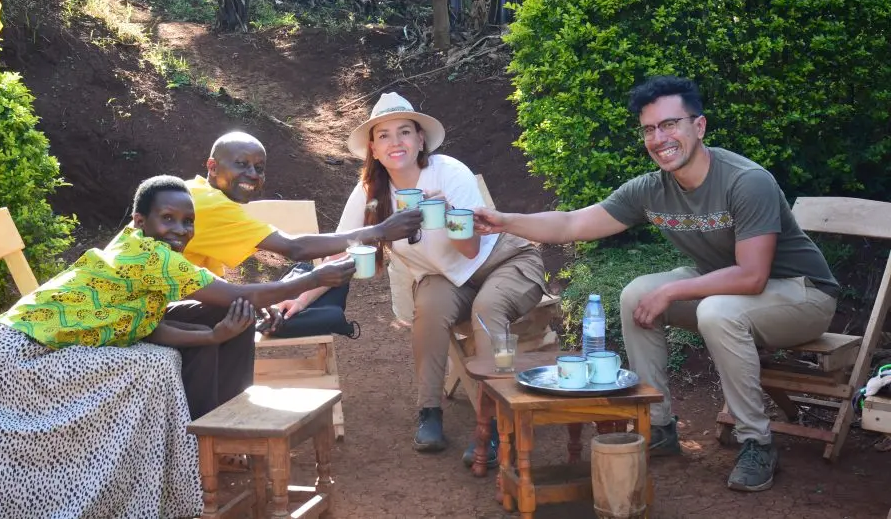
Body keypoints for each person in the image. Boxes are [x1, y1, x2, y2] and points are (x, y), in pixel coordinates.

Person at [0, 175, 355, 519]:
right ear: (141, 221)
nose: (179, 229)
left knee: (186, 337)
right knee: (155, 364)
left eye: (187, 222)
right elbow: (243, 296)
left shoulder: (147, 254)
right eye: (168, 219)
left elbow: (146, 327)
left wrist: (214, 336)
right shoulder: (148, 255)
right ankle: (170, 462)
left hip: (44, 350)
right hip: (18, 360)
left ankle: (209, 443)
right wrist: (315, 278)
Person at [473, 76, 839, 493]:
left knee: (715, 312)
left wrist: (671, 291)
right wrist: (504, 220)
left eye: (670, 124)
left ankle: (755, 440)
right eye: (649, 129)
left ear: (698, 127)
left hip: (801, 293)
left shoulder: (745, 180)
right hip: (726, 286)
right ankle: (660, 425)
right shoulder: (652, 189)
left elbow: (752, 275)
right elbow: (573, 222)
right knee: (637, 295)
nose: (659, 138)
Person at [284, 92, 548, 459]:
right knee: (429, 309)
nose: (396, 142)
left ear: (420, 139)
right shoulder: (369, 194)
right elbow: (339, 250)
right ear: (373, 149)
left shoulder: (449, 172)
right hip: (447, 277)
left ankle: (495, 424)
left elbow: (471, 250)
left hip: (505, 262)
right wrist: (299, 295)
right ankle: (429, 412)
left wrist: (450, 213)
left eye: (405, 132)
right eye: (385, 135)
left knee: (486, 311)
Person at [181, 131, 422, 340]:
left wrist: (255, 306)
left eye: (259, 168)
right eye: (241, 164)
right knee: (232, 335)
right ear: (212, 167)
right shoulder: (209, 204)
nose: (253, 174)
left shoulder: (198, 192)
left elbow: (205, 284)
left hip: (173, 298)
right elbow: (295, 248)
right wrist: (381, 230)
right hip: (161, 308)